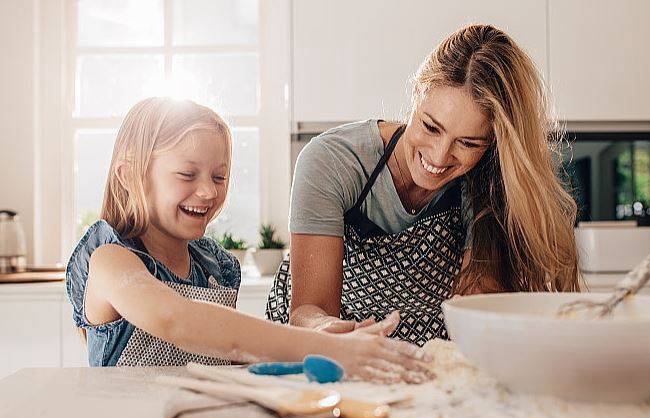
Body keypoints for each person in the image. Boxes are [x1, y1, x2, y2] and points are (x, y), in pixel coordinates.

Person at [65, 97, 432, 383]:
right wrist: (329, 348)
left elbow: (231, 351)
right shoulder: (110, 260)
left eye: (220, 176)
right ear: (130, 176)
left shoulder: (215, 268)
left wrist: (323, 339)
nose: (207, 191)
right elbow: (175, 319)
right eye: (187, 174)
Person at [266, 24, 580, 346]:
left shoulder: (487, 183)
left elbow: (477, 301)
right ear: (416, 95)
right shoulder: (333, 161)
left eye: (468, 143)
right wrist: (332, 333)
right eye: (431, 127)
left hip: (425, 351)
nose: (440, 156)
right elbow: (309, 309)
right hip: (315, 347)